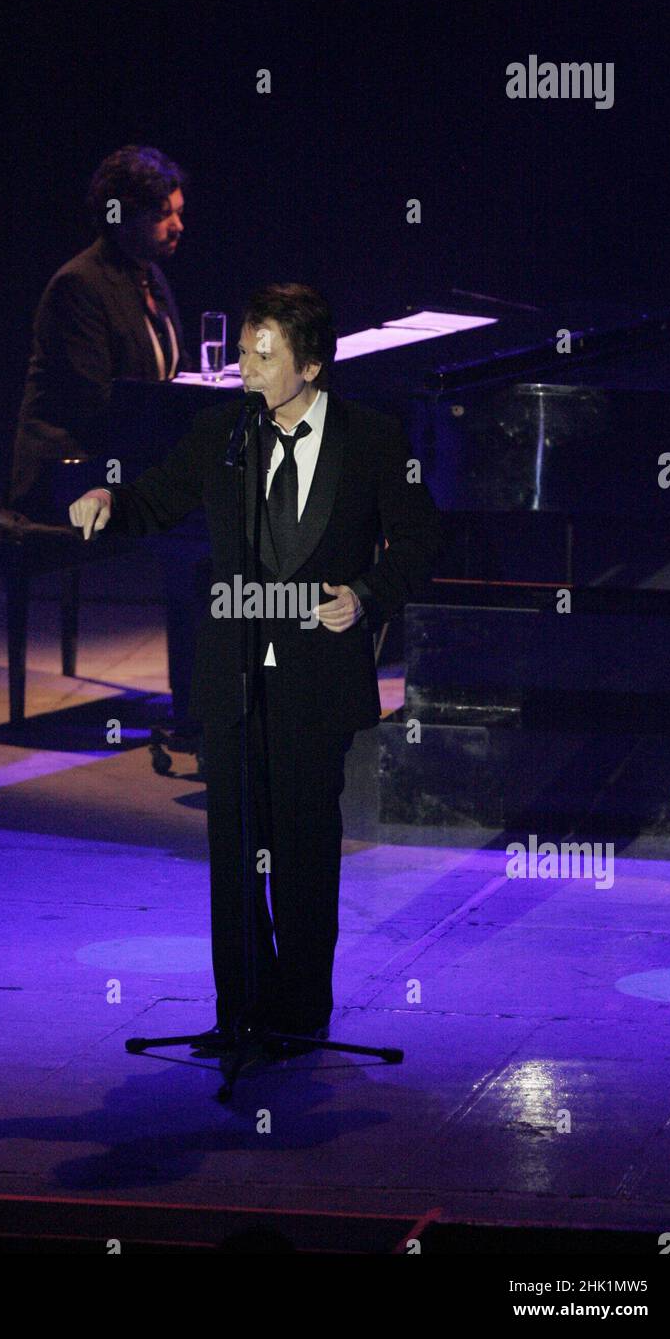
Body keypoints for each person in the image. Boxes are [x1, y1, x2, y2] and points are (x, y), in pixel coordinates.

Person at [69, 283, 443, 1057]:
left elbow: (421, 542)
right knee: (237, 850)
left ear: (309, 365)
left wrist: (367, 596)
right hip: (233, 676)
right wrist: (110, 498)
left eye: (261, 354)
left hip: (317, 681)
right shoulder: (223, 434)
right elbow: (155, 500)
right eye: (243, 349)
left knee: (304, 851)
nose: (243, 366)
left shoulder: (371, 439)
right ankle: (238, 1011)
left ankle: (299, 1013)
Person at [6, 144, 189, 519]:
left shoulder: (149, 275)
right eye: (162, 215)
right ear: (124, 217)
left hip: (121, 457)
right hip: (67, 469)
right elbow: (95, 405)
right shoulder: (79, 285)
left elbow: (173, 374)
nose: (178, 226)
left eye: (179, 213)